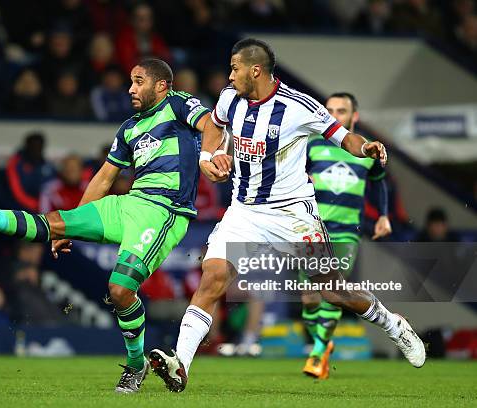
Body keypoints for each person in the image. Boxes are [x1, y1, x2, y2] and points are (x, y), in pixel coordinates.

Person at [148, 38, 425, 393]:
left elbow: (344, 138)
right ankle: (180, 366)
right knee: (212, 276)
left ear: (255, 70)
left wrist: (366, 148)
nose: (229, 76)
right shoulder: (229, 98)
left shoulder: (299, 106)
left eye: (235, 68)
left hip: (293, 214)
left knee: (333, 290)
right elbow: (214, 127)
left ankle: (393, 325)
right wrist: (207, 159)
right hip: (244, 210)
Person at [0, 58, 212, 393]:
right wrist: (73, 226)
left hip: (164, 210)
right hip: (128, 203)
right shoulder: (129, 128)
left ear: (161, 85)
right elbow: (103, 178)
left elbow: (212, 125)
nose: (130, 88)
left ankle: (135, 364)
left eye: (138, 81)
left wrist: (210, 157)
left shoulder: (178, 103)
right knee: (54, 222)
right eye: (130, 81)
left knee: (119, 290)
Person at [301, 92, 392, 379]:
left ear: (355, 117)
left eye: (341, 110)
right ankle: (322, 345)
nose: (334, 115)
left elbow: (379, 183)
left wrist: (383, 215)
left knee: (333, 294)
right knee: (309, 299)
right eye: (329, 110)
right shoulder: (310, 145)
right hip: (312, 231)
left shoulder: (366, 151)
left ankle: (317, 352)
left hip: (345, 233)